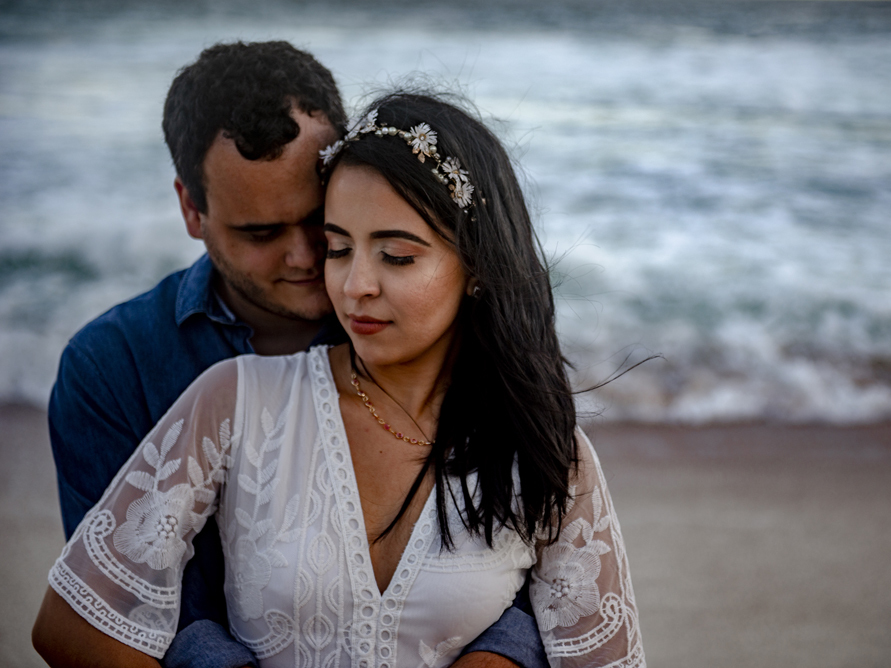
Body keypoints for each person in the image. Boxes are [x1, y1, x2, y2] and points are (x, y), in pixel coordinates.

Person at [34, 91, 645, 667]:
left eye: (397, 255)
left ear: (478, 266)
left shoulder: (544, 452)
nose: (355, 288)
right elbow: (72, 624)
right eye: (338, 248)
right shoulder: (237, 400)